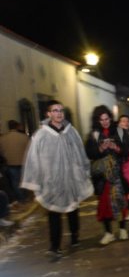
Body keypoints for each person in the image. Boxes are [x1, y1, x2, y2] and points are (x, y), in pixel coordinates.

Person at [21, 100, 94, 257]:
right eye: (55, 110)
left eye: (61, 110)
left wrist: (84, 170)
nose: (59, 113)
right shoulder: (40, 135)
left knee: (73, 210)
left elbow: (81, 153)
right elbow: (33, 159)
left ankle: (75, 236)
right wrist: (35, 181)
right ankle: (55, 246)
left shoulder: (71, 132)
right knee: (53, 214)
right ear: (49, 114)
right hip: (52, 182)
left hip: (71, 179)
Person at [85, 105, 129, 245]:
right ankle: (108, 233)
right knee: (104, 205)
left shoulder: (120, 131)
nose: (105, 122)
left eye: (107, 119)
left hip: (119, 174)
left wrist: (115, 147)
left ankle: (123, 229)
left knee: (120, 201)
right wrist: (101, 148)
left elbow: (128, 151)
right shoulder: (93, 135)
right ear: (97, 121)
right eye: (101, 120)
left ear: (111, 118)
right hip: (103, 176)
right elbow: (89, 153)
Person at [0, 120, 30, 204]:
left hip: (10, 164)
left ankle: (21, 199)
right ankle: (26, 197)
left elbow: (1, 152)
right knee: (25, 181)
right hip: (24, 163)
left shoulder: (2, 138)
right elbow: (30, 151)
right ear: (17, 126)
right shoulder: (24, 137)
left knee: (15, 182)